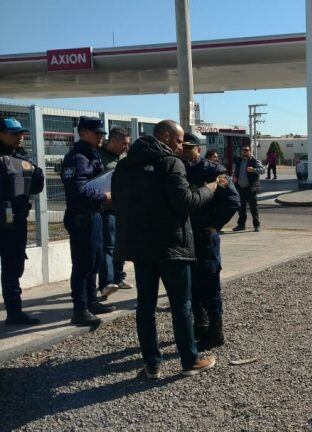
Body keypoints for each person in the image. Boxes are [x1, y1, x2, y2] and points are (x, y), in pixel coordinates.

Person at [113, 120, 222, 378]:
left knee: (145, 306)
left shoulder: (125, 165)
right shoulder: (170, 163)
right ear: (164, 136)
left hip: (141, 248)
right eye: (177, 140)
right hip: (172, 246)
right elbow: (185, 201)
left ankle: (152, 364)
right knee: (181, 305)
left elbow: (117, 202)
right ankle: (190, 360)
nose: (180, 146)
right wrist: (209, 189)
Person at [180, 134, 239, 350]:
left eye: (189, 148)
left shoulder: (214, 171)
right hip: (185, 238)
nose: (184, 152)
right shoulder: (177, 169)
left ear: (198, 148)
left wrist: (215, 224)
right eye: (181, 148)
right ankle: (200, 324)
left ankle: (216, 330)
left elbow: (233, 201)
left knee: (210, 285)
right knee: (191, 285)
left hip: (205, 237)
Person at [62, 116, 115, 326]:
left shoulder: (90, 154)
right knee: (83, 263)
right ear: (84, 133)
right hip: (82, 217)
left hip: (94, 215)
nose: (101, 137)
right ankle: (80, 309)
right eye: (97, 133)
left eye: (103, 133)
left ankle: (91, 301)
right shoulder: (77, 158)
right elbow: (78, 190)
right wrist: (104, 197)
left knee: (95, 260)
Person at [0, 118, 45, 325]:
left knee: (13, 266)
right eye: (14, 133)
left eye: (21, 133)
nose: (20, 136)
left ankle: (14, 312)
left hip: (15, 221)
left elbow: (35, 186)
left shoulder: (21, 157)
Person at [97, 127, 133, 299]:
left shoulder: (125, 156)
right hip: (107, 207)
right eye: (124, 144)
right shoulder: (98, 156)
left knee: (121, 244)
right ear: (113, 140)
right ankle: (106, 283)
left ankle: (119, 277)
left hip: (124, 207)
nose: (126, 147)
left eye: (128, 144)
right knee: (108, 246)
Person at [232, 145, 263, 232]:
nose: (244, 151)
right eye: (243, 150)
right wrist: (234, 177)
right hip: (241, 187)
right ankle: (241, 225)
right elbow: (236, 171)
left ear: (250, 151)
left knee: (253, 208)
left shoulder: (254, 160)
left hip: (250, 188)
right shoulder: (239, 160)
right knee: (241, 208)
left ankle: (256, 225)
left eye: (246, 150)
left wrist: (253, 169)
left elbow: (262, 170)